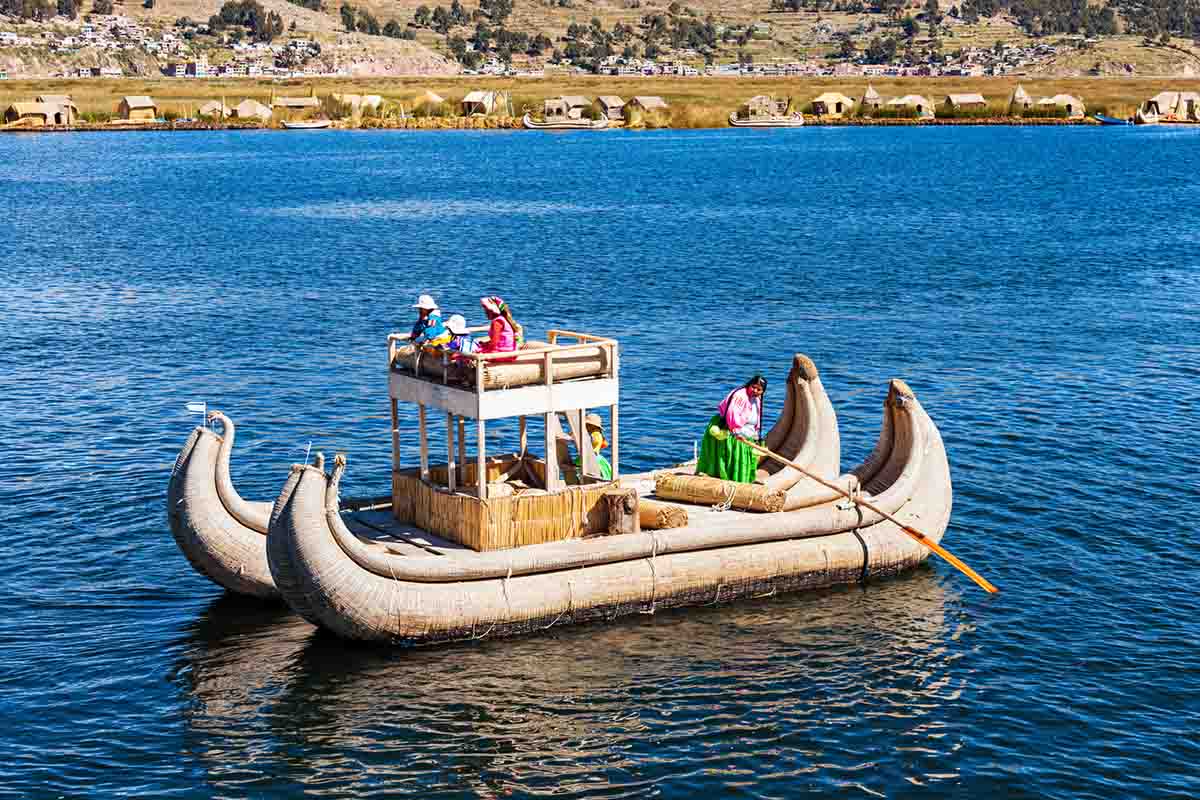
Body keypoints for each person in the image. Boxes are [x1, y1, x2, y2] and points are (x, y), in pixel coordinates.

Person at [696, 375, 767, 483]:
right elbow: (731, 414)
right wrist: (736, 432)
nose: (755, 391)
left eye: (759, 389)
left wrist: (755, 435)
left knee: (745, 459)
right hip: (731, 429)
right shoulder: (740, 396)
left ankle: (744, 480)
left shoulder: (757, 399)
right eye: (753, 387)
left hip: (747, 432)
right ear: (749, 385)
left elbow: (756, 417)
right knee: (732, 457)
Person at [574, 413, 613, 481]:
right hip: (597, 457)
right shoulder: (597, 433)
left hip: (592, 457)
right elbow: (604, 444)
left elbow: (591, 446)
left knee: (573, 465)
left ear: (590, 425)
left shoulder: (595, 435)